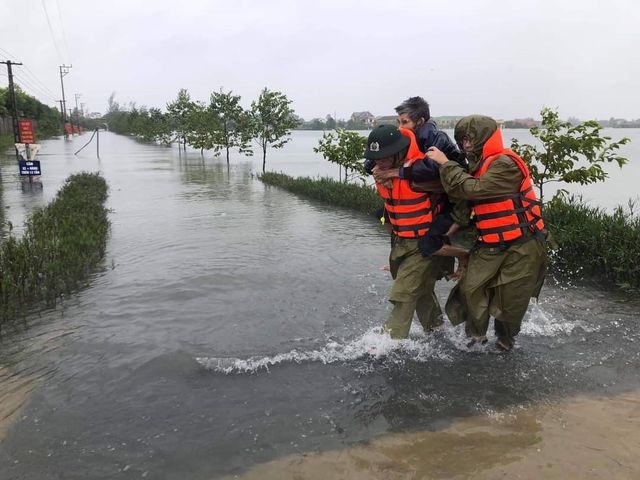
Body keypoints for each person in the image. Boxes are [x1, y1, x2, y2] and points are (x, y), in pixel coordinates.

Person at [425, 115, 548, 351]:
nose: (466, 144)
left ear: (484, 137)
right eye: (462, 140)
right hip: (490, 243)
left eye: (470, 138)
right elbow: (466, 205)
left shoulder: (505, 163)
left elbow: (473, 190)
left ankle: (505, 341)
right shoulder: (476, 165)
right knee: (470, 288)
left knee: (511, 299)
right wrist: (445, 233)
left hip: (523, 244)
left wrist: (445, 164)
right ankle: (476, 337)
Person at [365, 124, 453, 339]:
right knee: (421, 289)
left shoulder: (422, 171)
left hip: (423, 242)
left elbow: (451, 190)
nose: (380, 162)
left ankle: (389, 341)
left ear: (398, 152)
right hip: (400, 241)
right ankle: (437, 330)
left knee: (404, 291)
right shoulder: (380, 170)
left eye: (385, 157)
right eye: (376, 158)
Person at [365, 97, 470, 276]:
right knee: (386, 217)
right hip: (427, 192)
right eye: (398, 122)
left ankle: (463, 256)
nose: (400, 127)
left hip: (451, 197)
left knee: (427, 244)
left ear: (420, 122)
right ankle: (399, 260)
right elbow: (371, 162)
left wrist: (394, 172)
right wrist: (376, 167)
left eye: (404, 122)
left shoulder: (435, 138)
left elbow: (430, 169)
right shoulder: (404, 138)